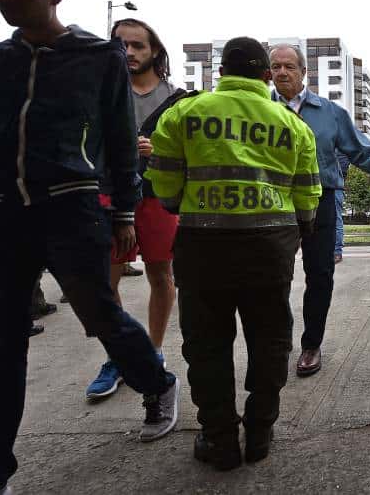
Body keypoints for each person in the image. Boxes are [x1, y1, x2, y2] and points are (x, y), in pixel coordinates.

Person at [0, 0, 180, 493]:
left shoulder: (96, 56)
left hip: (73, 209)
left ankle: (157, 381)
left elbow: (117, 141)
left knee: (100, 315)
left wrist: (125, 212)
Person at [146, 37, 321, 470]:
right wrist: (297, 229)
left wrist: (183, 202)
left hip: (202, 247)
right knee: (270, 339)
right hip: (270, 247)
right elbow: (308, 195)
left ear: (220, 74)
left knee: (206, 345)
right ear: (265, 76)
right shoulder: (292, 123)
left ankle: (219, 439)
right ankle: (260, 432)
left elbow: (163, 185)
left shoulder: (184, 113)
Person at [269, 44, 370, 377]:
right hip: (272, 201)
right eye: (276, 67)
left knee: (320, 273)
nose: (282, 72)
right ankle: (277, 340)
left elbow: (359, 146)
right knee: (272, 276)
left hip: (320, 199)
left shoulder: (329, 112)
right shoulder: (260, 110)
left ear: (303, 73)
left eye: (289, 67)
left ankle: (312, 344)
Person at [83, 18, 187, 401]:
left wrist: (158, 151)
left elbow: (188, 152)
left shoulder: (177, 97)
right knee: (106, 283)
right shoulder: (98, 92)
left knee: (161, 274)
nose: (128, 52)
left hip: (158, 196)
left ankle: (153, 353)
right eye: (121, 44)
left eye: (138, 45)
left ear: (155, 51)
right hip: (109, 196)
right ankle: (118, 356)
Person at [334, 150, 350, 264]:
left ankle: (337, 252)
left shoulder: (339, 149)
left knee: (336, 219)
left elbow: (343, 167)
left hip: (335, 185)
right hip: (332, 185)